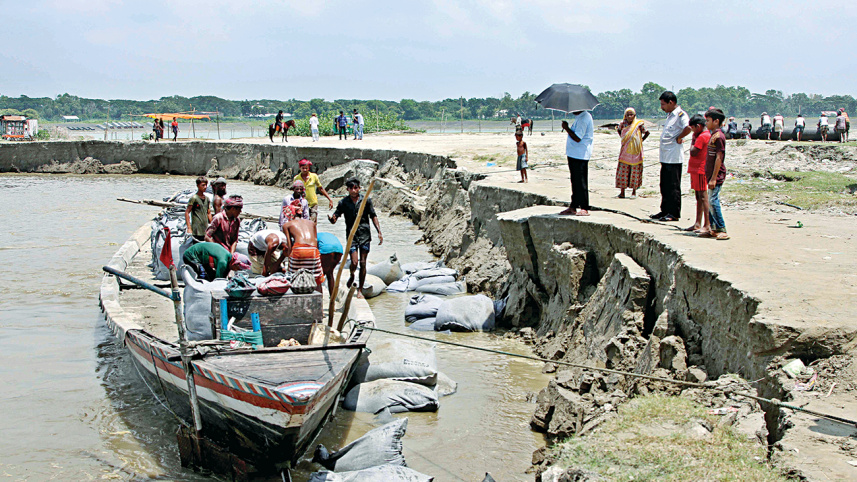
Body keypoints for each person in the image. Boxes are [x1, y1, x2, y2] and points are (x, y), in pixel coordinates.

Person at [328, 178, 383, 298]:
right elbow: (337, 214)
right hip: (352, 236)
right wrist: (333, 219)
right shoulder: (343, 202)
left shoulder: (366, 200)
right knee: (354, 262)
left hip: (364, 234)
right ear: (347, 189)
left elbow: (373, 215)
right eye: (351, 188)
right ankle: (352, 274)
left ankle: (360, 290)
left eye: (356, 188)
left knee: (363, 263)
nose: (353, 190)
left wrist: (379, 231)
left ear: (359, 188)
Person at [651, 91, 691, 222]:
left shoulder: (680, 115)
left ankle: (673, 213)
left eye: (663, 104)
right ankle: (665, 210)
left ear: (671, 102)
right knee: (664, 185)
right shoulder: (670, 116)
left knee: (673, 186)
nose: (662, 107)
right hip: (665, 157)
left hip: (674, 157)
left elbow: (688, 127)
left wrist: (680, 137)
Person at [558, 109, 594, 216]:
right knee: (575, 181)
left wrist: (566, 128)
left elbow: (578, 138)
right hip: (574, 154)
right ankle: (573, 206)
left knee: (581, 182)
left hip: (580, 154)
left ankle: (584, 207)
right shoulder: (579, 117)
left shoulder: (584, 118)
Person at [281, 208, 325, 291]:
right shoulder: (312, 223)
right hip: (313, 250)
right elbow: (315, 241)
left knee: (294, 277)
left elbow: (289, 246)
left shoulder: (287, 225)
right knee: (317, 279)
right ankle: (320, 302)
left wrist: (289, 261)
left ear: (290, 215)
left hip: (298, 250)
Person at [703, 109, 729, 240]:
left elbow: (719, 158)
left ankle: (721, 228)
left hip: (716, 175)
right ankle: (713, 228)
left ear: (716, 121)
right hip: (710, 174)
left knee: (713, 200)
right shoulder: (713, 135)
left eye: (708, 121)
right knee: (710, 200)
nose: (706, 123)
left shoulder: (719, 137)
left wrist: (714, 177)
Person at [615, 107, 649, 198]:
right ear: (625, 116)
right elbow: (619, 130)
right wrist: (624, 139)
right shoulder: (622, 124)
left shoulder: (639, 124)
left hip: (636, 151)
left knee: (635, 171)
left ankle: (634, 192)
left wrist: (640, 141)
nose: (629, 116)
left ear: (634, 115)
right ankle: (622, 192)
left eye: (631, 115)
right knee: (623, 171)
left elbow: (647, 132)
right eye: (628, 115)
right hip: (625, 150)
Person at [685, 114, 711, 235]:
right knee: (698, 196)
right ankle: (697, 222)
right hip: (696, 169)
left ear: (698, 126)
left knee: (703, 196)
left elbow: (694, 152)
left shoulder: (702, 136)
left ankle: (707, 224)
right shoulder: (700, 135)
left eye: (693, 128)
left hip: (700, 169)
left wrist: (692, 143)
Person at [182, 242, 250, 281]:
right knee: (202, 277)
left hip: (204, 259)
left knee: (211, 277)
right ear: (234, 263)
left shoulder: (228, 258)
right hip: (191, 255)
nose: (236, 270)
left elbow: (223, 276)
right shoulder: (223, 262)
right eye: (237, 268)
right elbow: (218, 281)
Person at [185, 177, 212, 241]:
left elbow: (209, 213)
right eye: (203, 185)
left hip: (205, 229)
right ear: (198, 186)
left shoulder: (207, 199)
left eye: (206, 185)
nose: (205, 187)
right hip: (197, 230)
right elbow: (187, 212)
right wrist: (189, 228)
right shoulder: (194, 198)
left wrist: (212, 225)